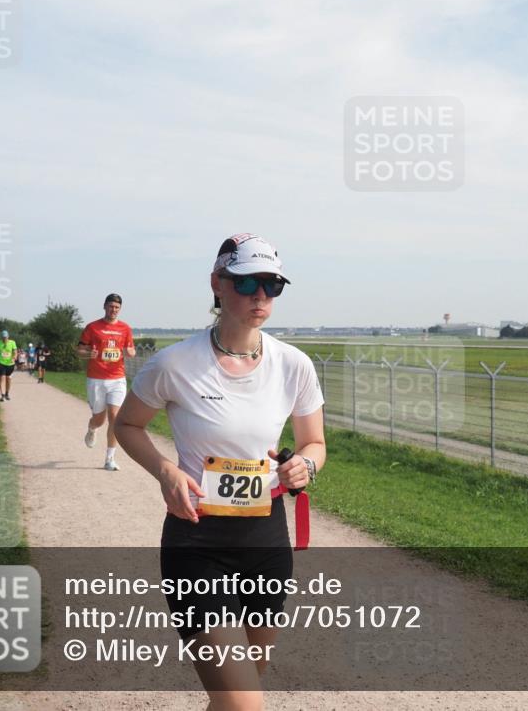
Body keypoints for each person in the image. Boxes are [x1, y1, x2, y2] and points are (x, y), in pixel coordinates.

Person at [115, 233, 325, 710]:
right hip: (197, 543)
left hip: (268, 544)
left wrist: (305, 466)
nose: (260, 296)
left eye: (272, 285)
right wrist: (165, 469)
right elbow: (127, 426)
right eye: (247, 281)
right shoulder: (173, 363)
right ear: (218, 284)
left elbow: (315, 443)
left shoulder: (294, 365)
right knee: (245, 703)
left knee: (239, 692)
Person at [77, 293, 136, 471]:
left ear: (120, 309)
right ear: (104, 307)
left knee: (115, 418)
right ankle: (92, 428)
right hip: (96, 379)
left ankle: (109, 459)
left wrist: (130, 352)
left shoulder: (125, 328)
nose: (113, 310)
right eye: (111, 306)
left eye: (117, 308)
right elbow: (79, 350)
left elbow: (130, 348)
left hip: (117, 378)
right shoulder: (93, 327)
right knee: (99, 419)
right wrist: (88, 354)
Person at [0, 330, 17, 402]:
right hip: (0, 363)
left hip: (10, 364)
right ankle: (2, 395)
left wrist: (14, 357)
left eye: (6, 337)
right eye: (3, 337)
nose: (4, 339)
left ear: (8, 337)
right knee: (2, 378)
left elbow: (15, 352)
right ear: (2, 337)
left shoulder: (12, 343)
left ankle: (7, 393)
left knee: (8, 379)